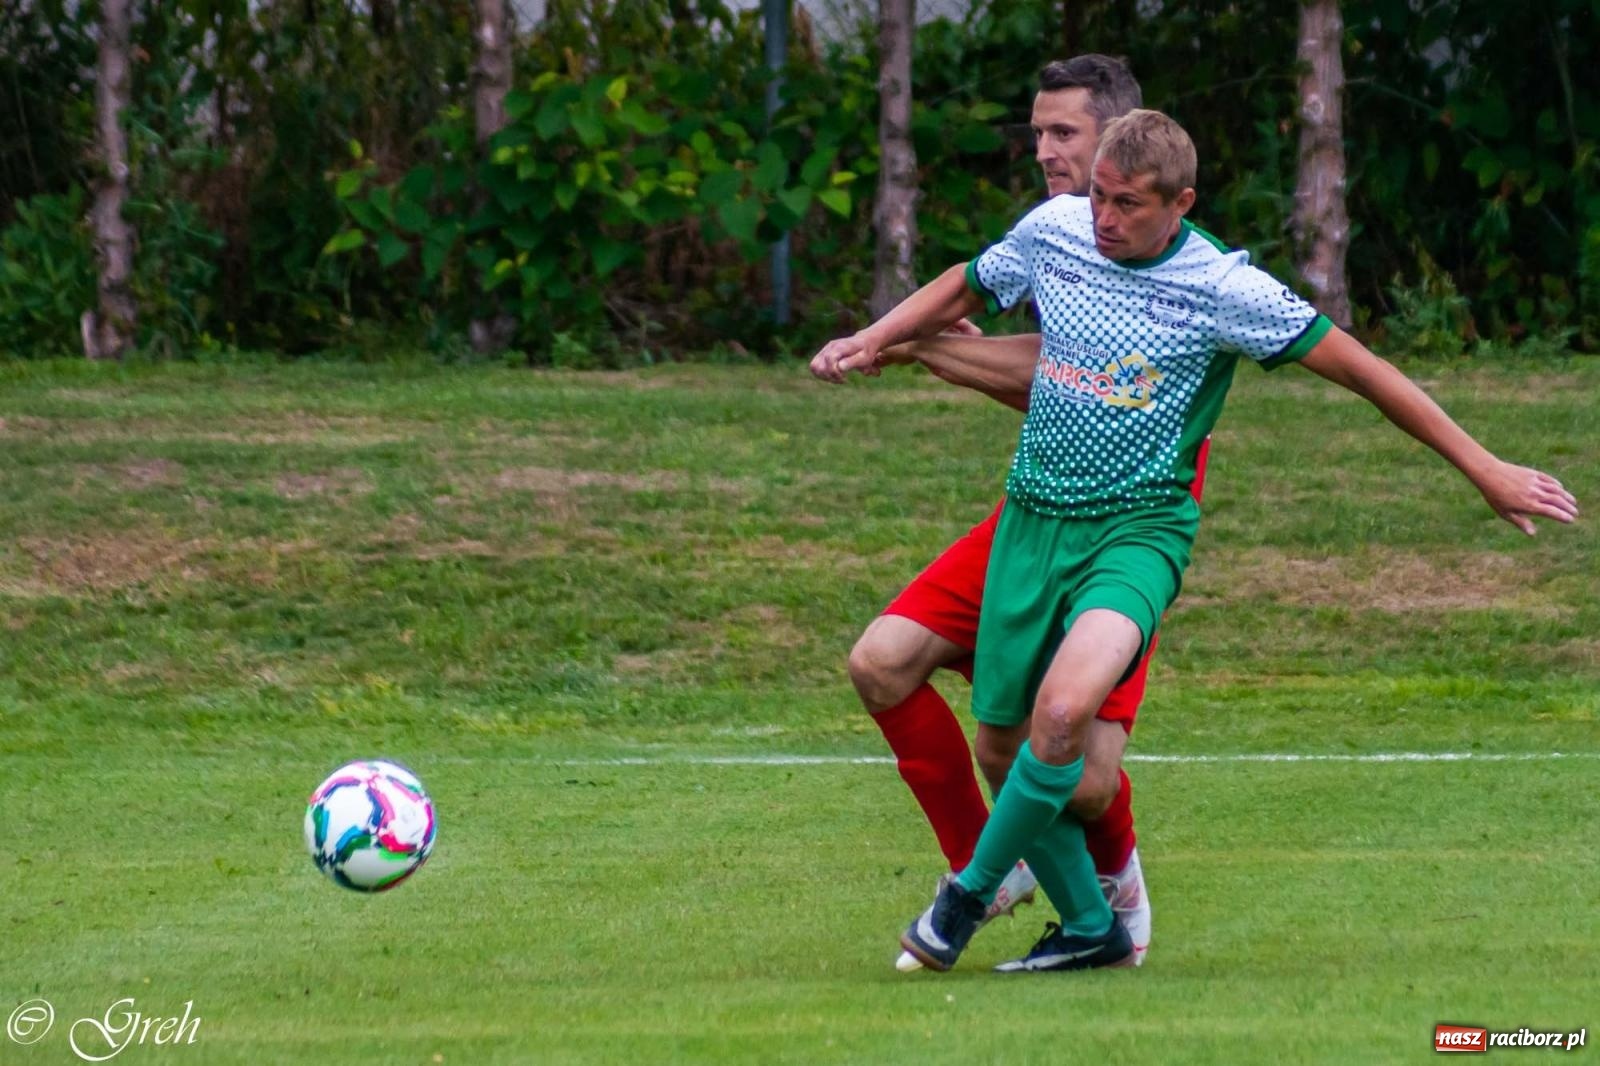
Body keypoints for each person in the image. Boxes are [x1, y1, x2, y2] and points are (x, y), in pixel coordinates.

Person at [814, 109, 1578, 974]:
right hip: (1030, 522)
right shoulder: (1057, 231)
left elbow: (1366, 372)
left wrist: (1483, 467)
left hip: (1138, 533)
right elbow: (966, 285)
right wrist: (876, 338)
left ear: (1181, 203)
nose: (1102, 218)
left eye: (1127, 204)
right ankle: (1095, 929)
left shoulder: (1224, 289)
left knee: (1061, 717)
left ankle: (965, 896)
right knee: (1001, 746)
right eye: (1098, 195)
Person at [835, 55, 1183, 969]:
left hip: (1120, 534)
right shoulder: (1055, 236)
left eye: (1062, 132)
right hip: (1028, 523)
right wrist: (904, 339)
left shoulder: (1170, 267)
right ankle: (986, 867)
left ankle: (1115, 897)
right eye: (1036, 133)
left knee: (1084, 772)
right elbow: (1044, 370)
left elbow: (1048, 378)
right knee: (881, 663)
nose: (1043, 150)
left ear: (1119, 138)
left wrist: (919, 349)